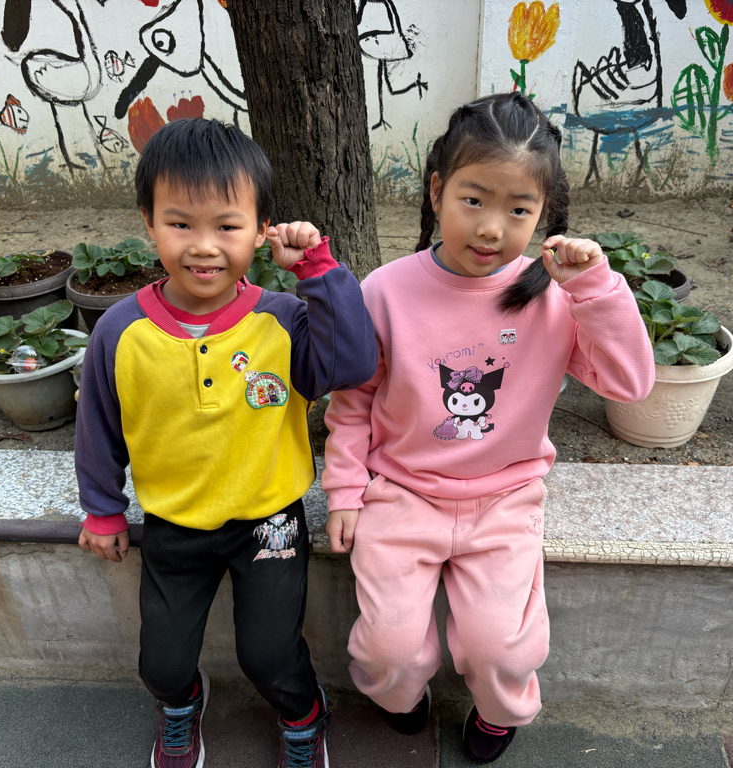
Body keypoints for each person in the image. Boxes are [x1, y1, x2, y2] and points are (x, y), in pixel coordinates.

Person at [322, 92, 654, 764]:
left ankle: (499, 714)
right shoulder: (385, 290)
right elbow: (354, 398)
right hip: (401, 492)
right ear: (437, 191)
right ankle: (400, 700)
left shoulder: (556, 296)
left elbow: (630, 383)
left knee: (500, 647)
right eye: (473, 200)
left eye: (519, 210)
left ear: (544, 213)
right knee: (388, 646)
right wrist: (345, 490)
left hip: (504, 499)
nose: (492, 228)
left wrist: (596, 289)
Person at [75, 117, 377, 768]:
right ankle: (181, 704)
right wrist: (102, 509)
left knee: (269, 655)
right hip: (174, 523)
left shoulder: (284, 319)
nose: (204, 247)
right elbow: (98, 426)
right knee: (161, 663)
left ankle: (304, 714)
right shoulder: (120, 333)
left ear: (261, 228)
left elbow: (353, 364)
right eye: (180, 224)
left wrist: (318, 271)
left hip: (270, 520)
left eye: (227, 226)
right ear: (149, 222)